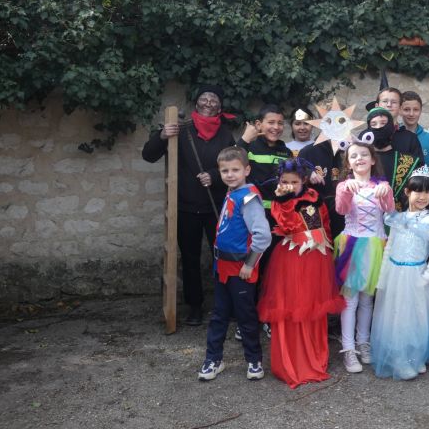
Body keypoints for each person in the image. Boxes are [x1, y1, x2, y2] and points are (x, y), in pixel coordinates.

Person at [141, 84, 234, 326]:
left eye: (214, 99)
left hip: (216, 206)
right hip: (185, 207)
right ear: (196, 103)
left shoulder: (225, 134)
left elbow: (234, 165)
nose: (208, 103)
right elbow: (148, 155)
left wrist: (214, 175)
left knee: (224, 256)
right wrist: (162, 136)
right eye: (204, 98)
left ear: (220, 107)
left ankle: (226, 305)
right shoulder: (181, 129)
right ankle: (195, 307)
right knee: (190, 259)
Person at [256, 158, 345, 388]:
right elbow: (284, 223)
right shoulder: (280, 202)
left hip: (317, 260)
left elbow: (325, 224)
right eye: (284, 181)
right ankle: (292, 359)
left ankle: (314, 355)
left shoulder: (316, 198)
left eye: (293, 182)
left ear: (304, 180)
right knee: (293, 307)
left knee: (313, 306)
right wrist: (283, 199)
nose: (288, 185)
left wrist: (327, 252)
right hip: (292, 261)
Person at [370, 166, 429, 380]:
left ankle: (415, 356)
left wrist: (426, 276)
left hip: (416, 275)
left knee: (416, 317)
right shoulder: (397, 219)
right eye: (417, 191)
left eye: (427, 192)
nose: (422, 196)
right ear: (407, 192)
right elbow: (389, 247)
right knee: (396, 316)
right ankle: (399, 358)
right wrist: (383, 276)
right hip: (396, 274)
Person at [197, 147, 271, 381]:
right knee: (219, 315)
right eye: (225, 170)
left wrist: (249, 264)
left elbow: (263, 236)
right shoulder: (232, 193)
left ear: (246, 170)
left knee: (245, 316)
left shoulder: (248, 197)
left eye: (235, 170)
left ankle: (254, 360)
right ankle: (213, 359)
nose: (230, 174)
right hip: (223, 267)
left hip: (241, 269)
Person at [334, 140, 396, 373]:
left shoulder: (382, 185)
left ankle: (363, 341)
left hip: (377, 245)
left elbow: (389, 212)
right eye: (353, 156)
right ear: (348, 163)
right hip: (353, 244)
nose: (359, 158)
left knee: (368, 298)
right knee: (350, 298)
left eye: (363, 154)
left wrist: (386, 192)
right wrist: (346, 191)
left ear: (372, 159)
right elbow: (341, 210)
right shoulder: (344, 186)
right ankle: (348, 348)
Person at [364, 107, 421, 210]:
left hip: (400, 219)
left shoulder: (408, 162)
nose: (378, 127)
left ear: (391, 126)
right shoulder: (362, 161)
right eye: (373, 124)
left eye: (383, 123)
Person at [399, 91, 429, 165]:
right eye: (406, 109)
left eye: (416, 110)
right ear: (400, 110)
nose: (411, 114)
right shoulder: (394, 135)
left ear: (420, 111)